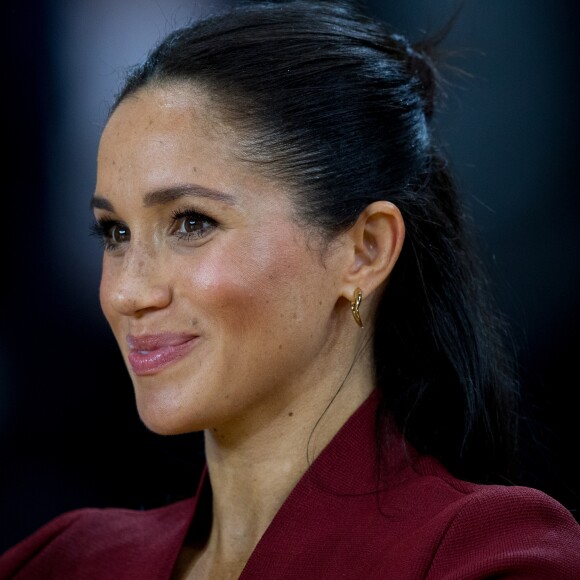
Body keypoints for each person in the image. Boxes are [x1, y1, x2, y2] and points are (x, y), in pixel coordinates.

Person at [2, 1, 580, 578]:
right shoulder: (63, 560)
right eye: (115, 233)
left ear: (365, 251)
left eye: (192, 222)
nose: (128, 292)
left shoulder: (486, 556)